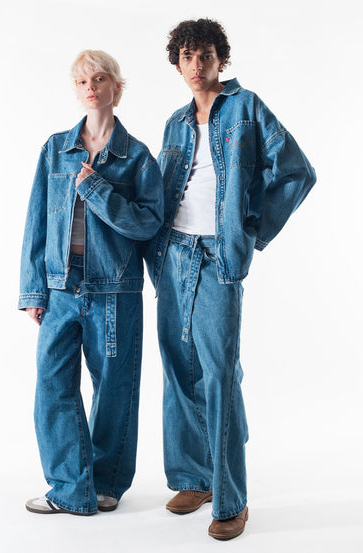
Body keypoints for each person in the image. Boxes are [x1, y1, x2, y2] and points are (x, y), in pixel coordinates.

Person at [146, 19, 316, 540]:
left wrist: (251, 230)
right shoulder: (175, 123)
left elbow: (297, 171)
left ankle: (231, 499)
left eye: (206, 55)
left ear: (221, 60)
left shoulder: (247, 108)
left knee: (219, 375)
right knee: (180, 372)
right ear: (177, 64)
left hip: (217, 257)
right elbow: (162, 191)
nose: (197, 65)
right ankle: (194, 478)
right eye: (187, 56)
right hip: (172, 254)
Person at [18, 50, 163, 515]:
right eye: (82, 81)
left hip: (115, 291)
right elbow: (37, 223)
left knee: (114, 389)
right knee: (52, 385)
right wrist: (33, 291)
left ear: (116, 87)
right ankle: (68, 489)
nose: (90, 88)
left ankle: (105, 485)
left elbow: (149, 223)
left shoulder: (136, 156)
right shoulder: (55, 149)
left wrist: (96, 189)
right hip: (61, 288)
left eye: (99, 79)